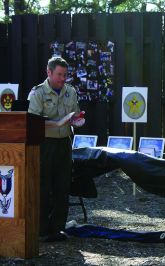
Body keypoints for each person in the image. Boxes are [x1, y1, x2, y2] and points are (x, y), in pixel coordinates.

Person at [28, 57, 85, 242]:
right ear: (49, 72)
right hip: (45, 144)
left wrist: (78, 120)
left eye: (65, 75)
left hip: (64, 143)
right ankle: (42, 229)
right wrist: (57, 122)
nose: (62, 79)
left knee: (63, 186)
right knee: (43, 187)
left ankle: (57, 228)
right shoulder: (37, 93)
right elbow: (33, 122)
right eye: (59, 74)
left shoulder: (70, 91)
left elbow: (75, 114)